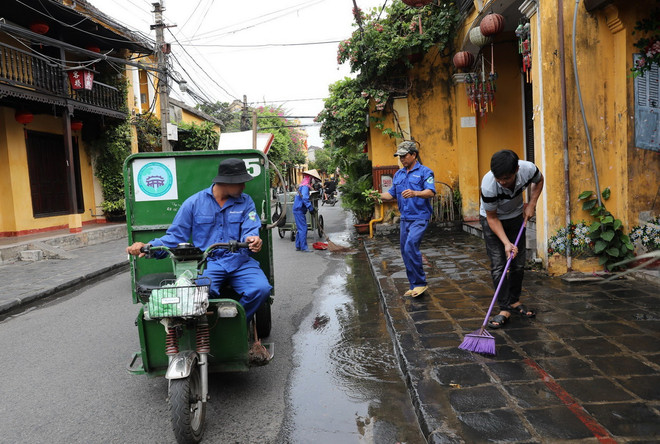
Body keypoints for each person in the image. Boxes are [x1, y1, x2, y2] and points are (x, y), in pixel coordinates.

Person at [126, 158, 272, 322]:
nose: (244, 186)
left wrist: (253, 239)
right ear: (225, 182)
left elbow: (250, 229)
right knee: (195, 294)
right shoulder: (194, 203)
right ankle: (206, 331)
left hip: (239, 261)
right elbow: (175, 237)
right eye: (240, 182)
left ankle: (236, 325)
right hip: (206, 263)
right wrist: (148, 247)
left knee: (261, 289)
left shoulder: (246, 202)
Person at [480, 149, 544, 329]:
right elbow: (492, 218)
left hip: (516, 217)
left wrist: (532, 203)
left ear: (516, 170)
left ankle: (514, 301)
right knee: (499, 265)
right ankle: (504, 308)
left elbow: (539, 181)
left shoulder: (528, 169)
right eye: (499, 178)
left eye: (506, 178)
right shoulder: (488, 186)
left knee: (518, 263)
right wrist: (506, 243)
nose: (502, 182)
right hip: (492, 220)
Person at [378, 141, 436, 297]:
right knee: (405, 251)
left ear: (414, 155)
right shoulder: (399, 174)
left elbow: (431, 192)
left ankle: (420, 283)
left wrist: (415, 193)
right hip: (405, 218)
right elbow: (390, 194)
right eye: (399, 156)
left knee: (411, 246)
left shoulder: (425, 172)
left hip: (419, 216)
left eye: (404, 156)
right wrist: (376, 196)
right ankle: (414, 284)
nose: (401, 159)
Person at [292, 169, 321, 252]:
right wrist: (310, 208)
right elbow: (305, 198)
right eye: (313, 179)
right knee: (303, 228)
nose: (314, 181)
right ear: (310, 179)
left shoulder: (302, 186)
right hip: (299, 210)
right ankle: (304, 247)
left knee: (300, 228)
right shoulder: (305, 187)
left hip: (298, 209)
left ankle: (298, 245)